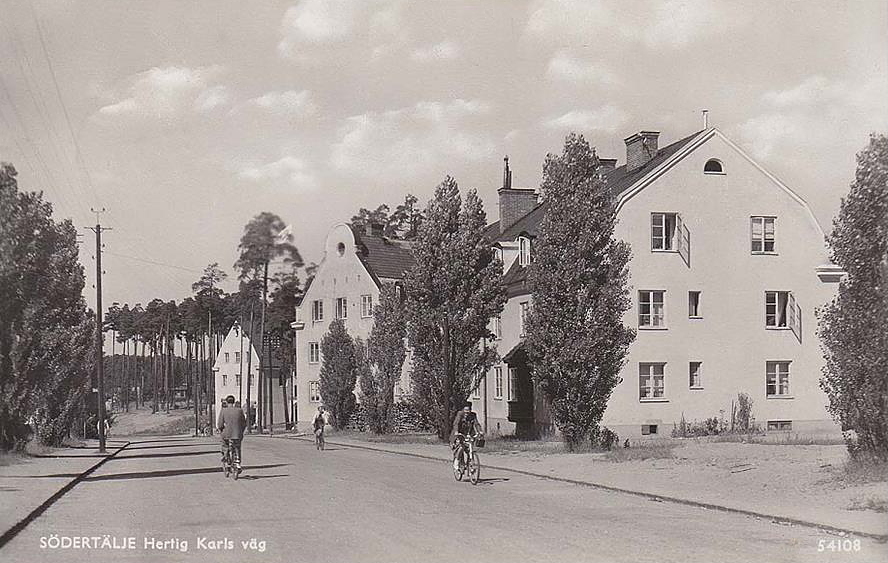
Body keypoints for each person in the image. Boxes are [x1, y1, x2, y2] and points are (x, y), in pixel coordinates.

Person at [217, 395, 247, 473]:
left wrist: (221, 430)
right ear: (234, 402)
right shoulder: (240, 410)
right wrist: (241, 431)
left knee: (225, 445)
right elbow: (244, 423)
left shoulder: (223, 411)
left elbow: (220, 424)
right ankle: (237, 462)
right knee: (237, 447)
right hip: (237, 433)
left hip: (226, 433)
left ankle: (226, 458)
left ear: (227, 402)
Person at [450, 402, 483, 470]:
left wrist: (480, 431)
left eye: (468, 410)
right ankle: (457, 460)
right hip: (459, 434)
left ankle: (470, 464)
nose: (467, 412)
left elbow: (476, 424)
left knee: (469, 449)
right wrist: (456, 431)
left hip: (468, 434)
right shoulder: (460, 414)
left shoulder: (473, 415)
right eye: (465, 410)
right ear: (463, 410)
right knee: (461, 447)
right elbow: (456, 423)